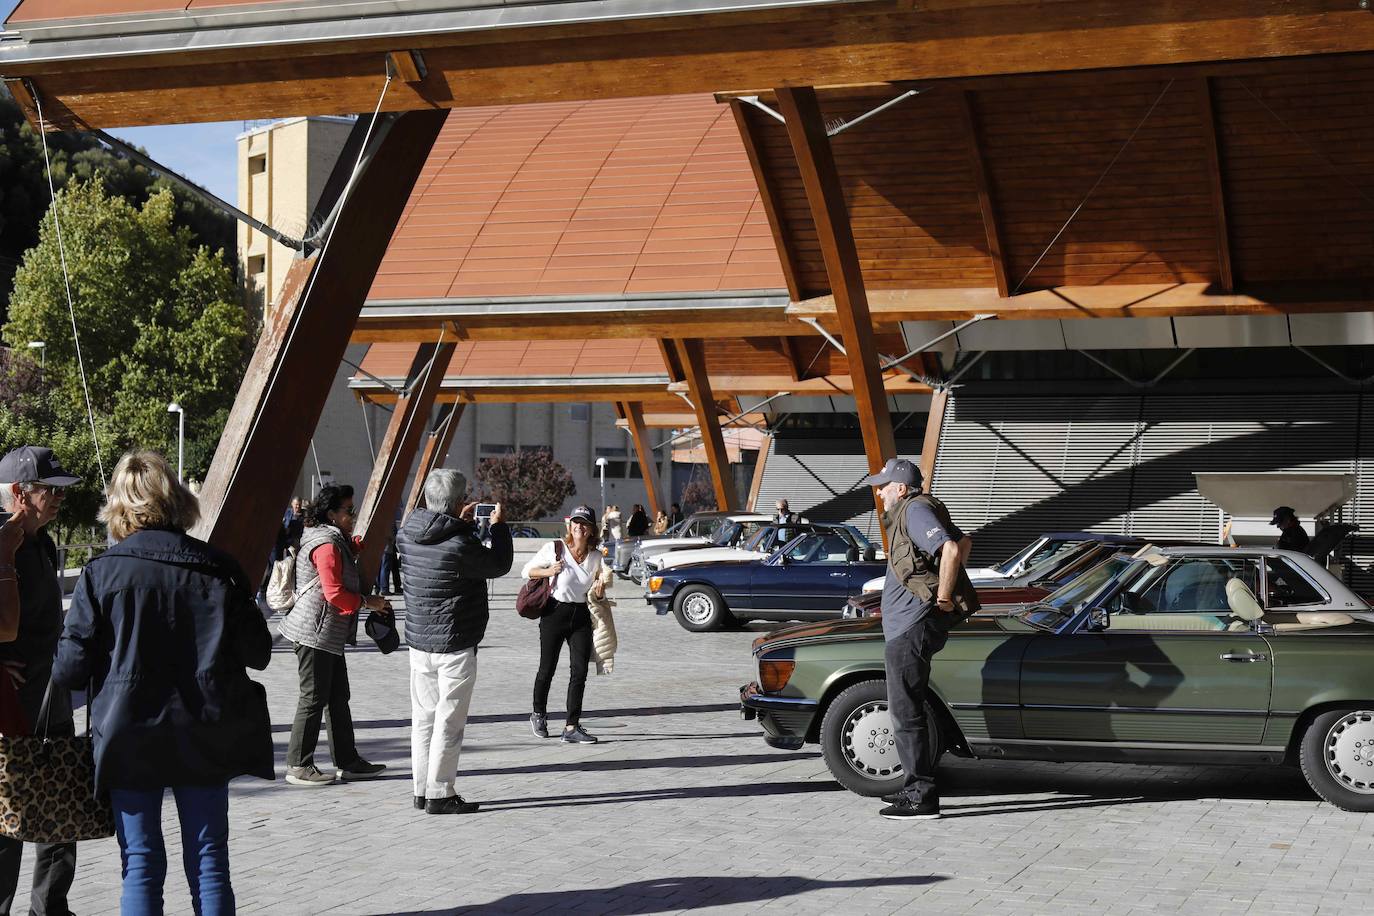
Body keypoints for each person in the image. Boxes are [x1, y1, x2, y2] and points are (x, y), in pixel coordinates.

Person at [52, 451, 273, 916]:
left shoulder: (101, 573)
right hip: (205, 728)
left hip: (128, 732)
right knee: (210, 860)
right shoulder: (218, 567)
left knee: (141, 861)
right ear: (176, 499)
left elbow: (70, 670)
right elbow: (259, 653)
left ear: (119, 505)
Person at [863, 457, 979, 821]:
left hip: (910, 627)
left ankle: (920, 796)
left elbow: (951, 549)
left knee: (905, 712)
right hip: (910, 625)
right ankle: (915, 788)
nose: (879, 493)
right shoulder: (916, 509)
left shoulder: (914, 510)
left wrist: (943, 596)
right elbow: (964, 542)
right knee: (907, 708)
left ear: (900, 488)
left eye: (883, 486)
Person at [396, 469, 513, 815]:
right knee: (449, 720)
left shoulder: (406, 534)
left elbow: (436, 537)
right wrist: (498, 527)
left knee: (423, 718)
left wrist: (456, 523)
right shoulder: (461, 544)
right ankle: (440, 793)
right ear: (459, 502)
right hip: (455, 641)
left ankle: (421, 789)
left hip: (419, 640)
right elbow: (498, 564)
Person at [0, 445, 79, 916]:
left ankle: (51, 909)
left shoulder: (42, 543)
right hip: (11, 707)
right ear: (19, 492)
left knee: (61, 807)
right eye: (51, 490)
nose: (59, 499)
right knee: (6, 816)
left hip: (53, 694)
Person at [279, 484, 392, 787]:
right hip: (314, 633)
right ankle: (298, 765)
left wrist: (353, 549)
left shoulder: (331, 539)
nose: (353, 516)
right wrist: (369, 602)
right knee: (313, 697)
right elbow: (334, 593)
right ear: (331, 514)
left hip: (327, 634)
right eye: (348, 511)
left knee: (338, 697)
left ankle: (348, 762)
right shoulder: (327, 544)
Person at [522, 505, 607, 744]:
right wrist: (549, 570)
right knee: (547, 668)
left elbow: (597, 594)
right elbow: (526, 571)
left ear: (592, 529)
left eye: (585, 523)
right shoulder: (555, 548)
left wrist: (600, 592)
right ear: (570, 526)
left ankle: (571, 726)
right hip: (554, 612)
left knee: (580, 671)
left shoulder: (596, 557)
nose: (580, 527)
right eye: (576, 522)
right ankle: (538, 713)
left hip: (580, 615)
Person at [375, 519, 402, 596]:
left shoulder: (380, 519)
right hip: (387, 546)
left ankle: (379, 588)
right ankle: (384, 588)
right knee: (385, 568)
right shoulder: (388, 518)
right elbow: (392, 532)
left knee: (384, 567)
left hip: (383, 546)